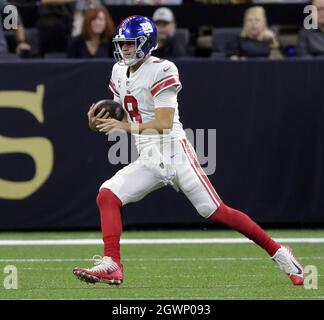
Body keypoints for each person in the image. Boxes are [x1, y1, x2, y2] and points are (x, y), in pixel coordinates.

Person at [73, 15, 304, 286]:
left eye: (130, 44)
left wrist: (122, 127)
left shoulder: (162, 69)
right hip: (149, 156)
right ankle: (112, 263)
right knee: (107, 195)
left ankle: (279, 252)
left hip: (174, 152)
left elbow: (163, 123)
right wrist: (99, 123)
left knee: (216, 211)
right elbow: (121, 115)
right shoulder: (118, 72)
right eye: (122, 44)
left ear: (146, 43)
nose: (124, 49)